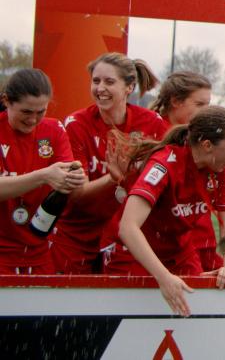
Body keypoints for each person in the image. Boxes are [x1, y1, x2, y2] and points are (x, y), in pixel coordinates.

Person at [114, 106, 225, 316]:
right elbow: (128, 228)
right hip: (134, 253)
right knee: (141, 321)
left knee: (195, 312)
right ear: (208, 145)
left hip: (179, 251)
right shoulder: (164, 164)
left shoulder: (222, 165)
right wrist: (163, 277)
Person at [50, 52, 166, 274]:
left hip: (126, 235)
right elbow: (76, 193)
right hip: (77, 235)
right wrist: (113, 178)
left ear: (129, 87)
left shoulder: (152, 124)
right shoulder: (76, 124)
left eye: (109, 81)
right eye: (96, 81)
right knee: (66, 305)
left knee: (119, 306)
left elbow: (164, 182)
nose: (100, 88)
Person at [0, 69, 86, 275]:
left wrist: (75, 179)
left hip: (39, 249)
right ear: (7, 101)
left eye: (41, 112)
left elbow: (73, 190)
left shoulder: (54, 130)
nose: (33, 119)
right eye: (26, 112)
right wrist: (44, 175)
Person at [149, 71, 220, 271]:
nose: (206, 111)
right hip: (168, 242)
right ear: (176, 101)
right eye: (200, 105)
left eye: (208, 104)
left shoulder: (204, 136)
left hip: (201, 235)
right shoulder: (154, 130)